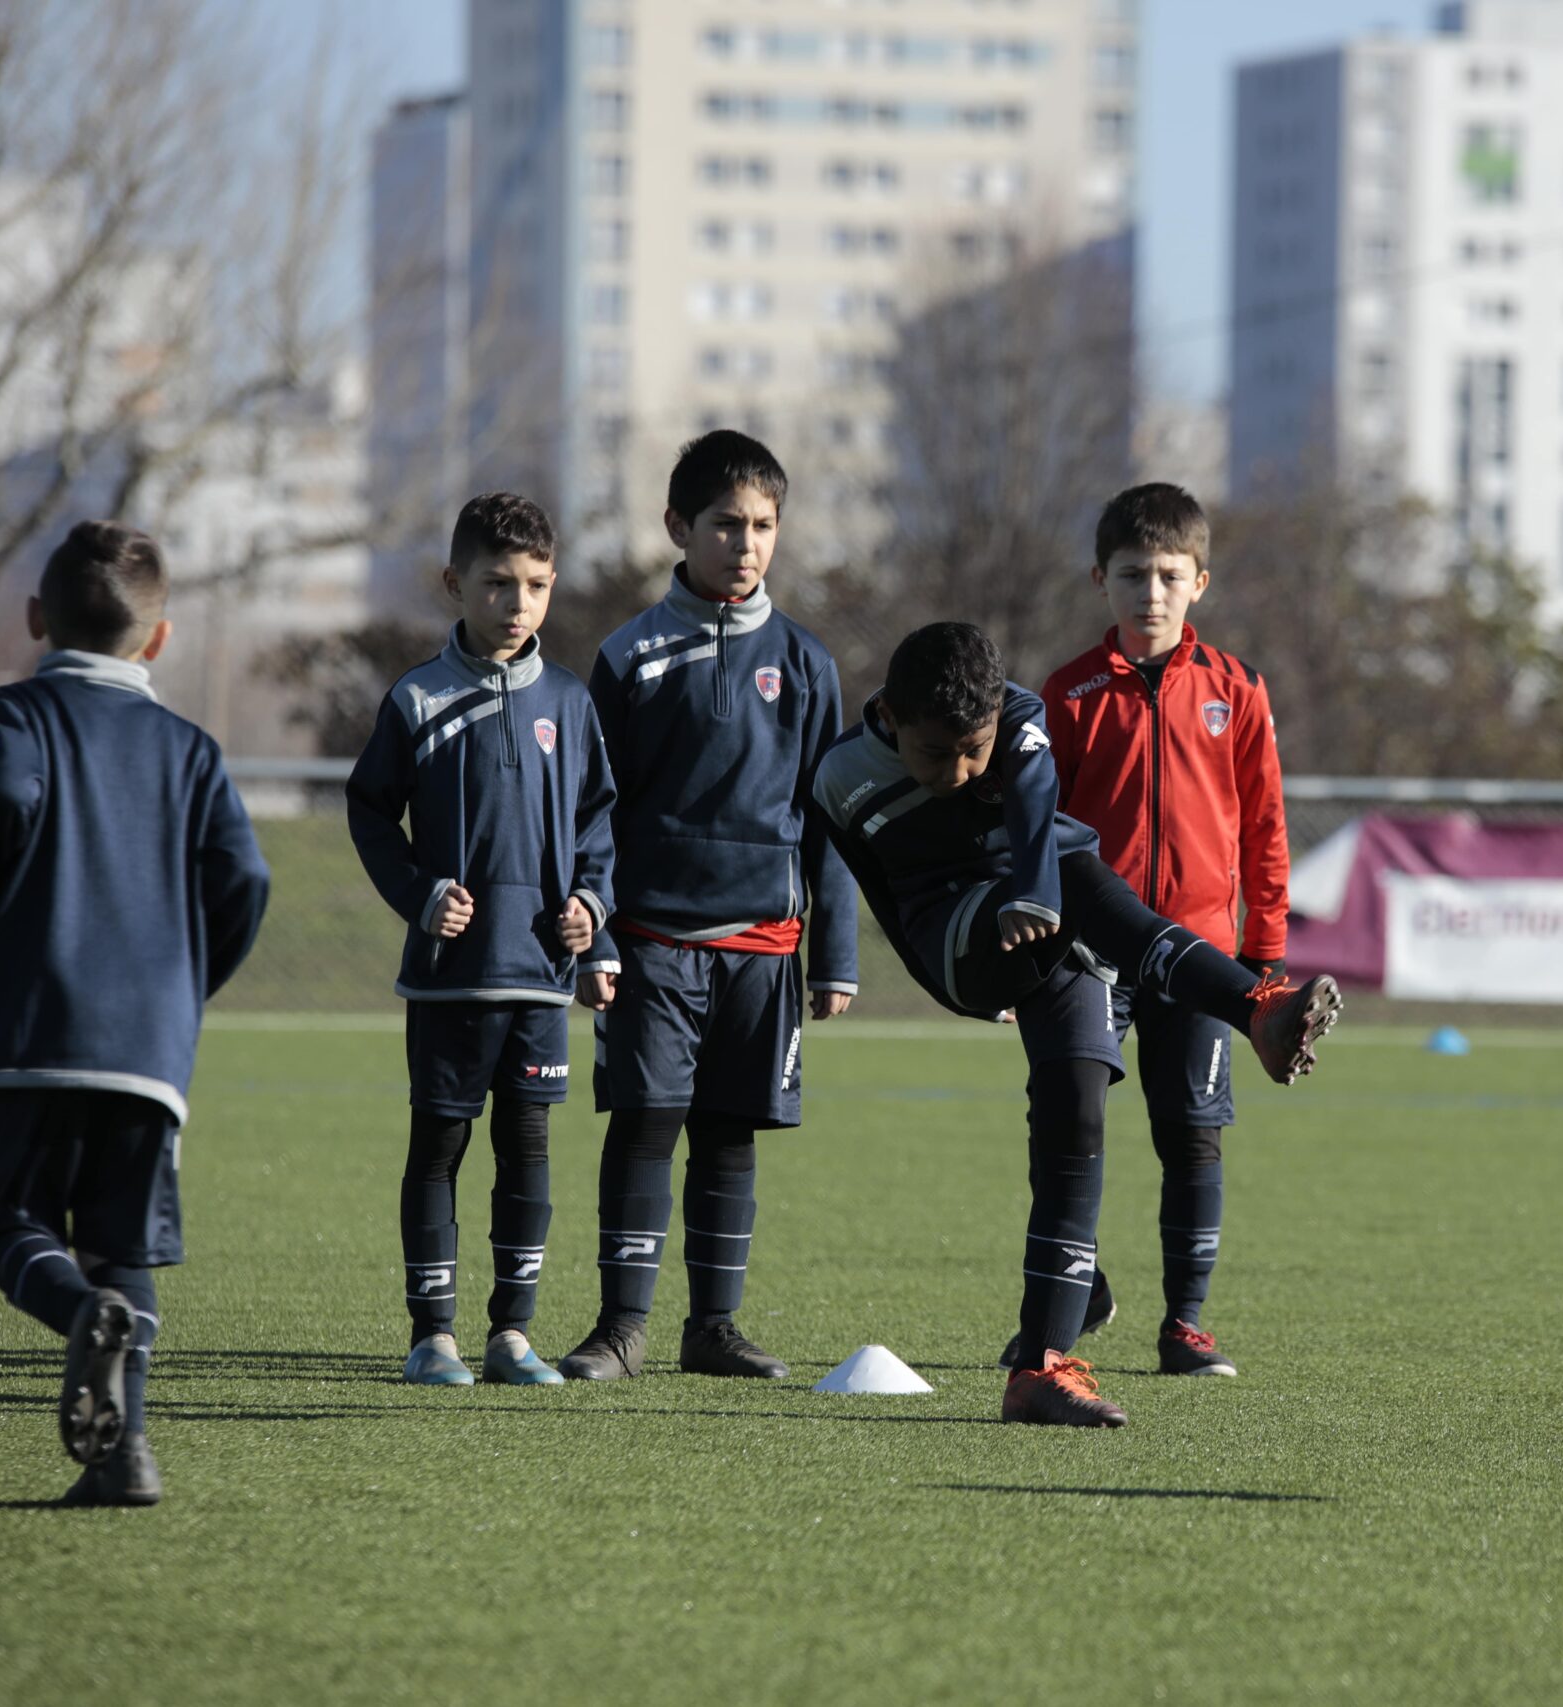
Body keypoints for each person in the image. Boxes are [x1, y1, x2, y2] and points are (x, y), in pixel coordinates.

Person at [810, 621, 1340, 1427]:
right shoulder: (840, 773)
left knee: (1078, 1112)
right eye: (934, 754)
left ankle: (1040, 1368)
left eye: (973, 751)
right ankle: (1251, 1007)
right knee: (1077, 879)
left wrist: (1033, 892)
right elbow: (878, 892)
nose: (958, 772)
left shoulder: (1019, 715)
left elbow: (1033, 803)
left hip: (1055, 922)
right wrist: (939, 976)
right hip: (956, 934)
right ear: (888, 715)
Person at [0, 520, 272, 1506]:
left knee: (11, 1225)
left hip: (35, 1027)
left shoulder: (20, 710)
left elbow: (3, 792)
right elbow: (245, 878)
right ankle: (123, 1459)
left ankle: (79, 1312)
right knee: (124, 1250)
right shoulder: (191, 748)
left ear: (35, 618)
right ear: (159, 638)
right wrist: (185, 981)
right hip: (148, 1046)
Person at [562, 430, 857, 1383]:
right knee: (646, 1120)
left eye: (764, 525)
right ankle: (621, 1328)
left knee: (730, 1131)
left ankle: (713, 1328)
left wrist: (836, 952)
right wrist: (595, 936)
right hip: (651, 938)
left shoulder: (807, 662)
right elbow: (591, 811)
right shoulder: (631, 656)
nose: (746, 543)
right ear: (677, 527)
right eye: (727, 524)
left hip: (765, 946)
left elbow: (831, 819)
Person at [347, 492, 619, 1388]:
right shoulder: (418, 697)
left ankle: (511, 1333)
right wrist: (421, 894)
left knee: (528, 1148)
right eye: (497, 583)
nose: (517, 602)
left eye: (535, 584)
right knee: (439, 1144)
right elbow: (369, 812)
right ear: (454, 583)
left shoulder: (569, 701)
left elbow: (598, 822)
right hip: (450, 978)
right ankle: (433, 1336)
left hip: (539, 975)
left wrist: (591, 907)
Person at [1035, 483, 1288, 1379]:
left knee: (1191, 1133)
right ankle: (1072, 1292)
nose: (1151, 592)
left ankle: (1185, 1323)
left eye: (1169, 575)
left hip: (1202, 953)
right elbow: (1038, 831)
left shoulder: (1236, 688)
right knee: (1072, 1119)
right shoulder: (1066, 693)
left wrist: (1264, 954)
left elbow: (1264, 826)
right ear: (1099, 579)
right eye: (1133, 574)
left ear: (1199, 582)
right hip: (1091, 952)